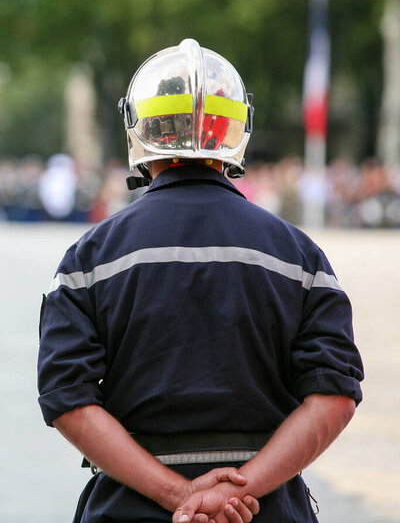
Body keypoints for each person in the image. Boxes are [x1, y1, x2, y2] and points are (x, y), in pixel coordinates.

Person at [37, 39, 364, 523]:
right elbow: (334, 394)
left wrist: (177, 494)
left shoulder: (88, 258)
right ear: (236, 129)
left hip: (130, 509)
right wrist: (241, 490)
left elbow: (66, 396)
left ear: (140, 127)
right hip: (265, 509)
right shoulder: (300, 255)